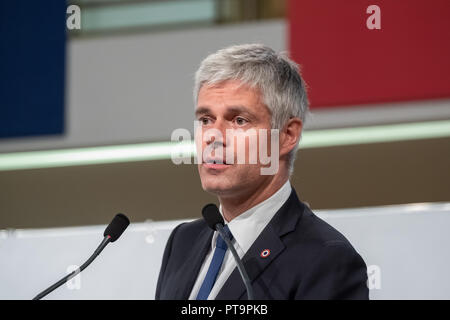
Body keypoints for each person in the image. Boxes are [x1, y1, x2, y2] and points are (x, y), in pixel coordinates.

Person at [155, 44, 369, 300]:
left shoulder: (326, 259)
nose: (214, 136)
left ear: (287, 135)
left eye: (239, 120)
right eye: (205, 120)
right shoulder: (183, 241)